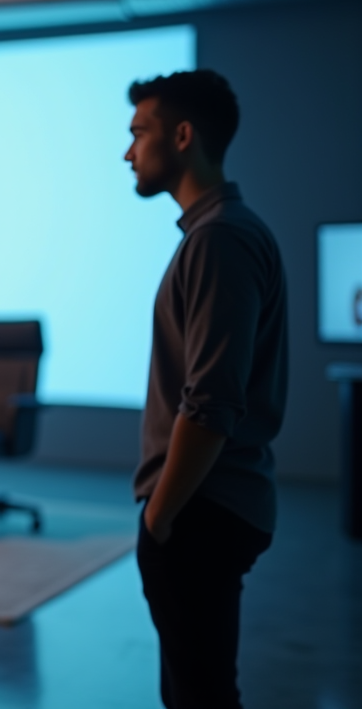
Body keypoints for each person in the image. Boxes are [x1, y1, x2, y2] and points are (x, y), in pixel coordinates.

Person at [125, 69, 287, 709]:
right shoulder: (216, 234)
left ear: (183, 136)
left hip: (199, 510)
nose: (128, 151)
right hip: (205, 507)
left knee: (201, 698)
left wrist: (160, 518)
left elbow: (211, 403)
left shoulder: (219, 239)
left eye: (140, 132)